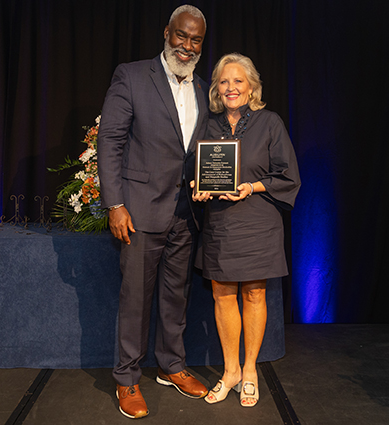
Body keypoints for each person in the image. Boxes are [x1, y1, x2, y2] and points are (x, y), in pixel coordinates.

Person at [97, 4, 211, 419]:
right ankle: (127, 379)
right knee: (135, 298)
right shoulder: (131, 75)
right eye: (182, 35)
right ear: (167, 32)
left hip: (186, 212)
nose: (187, 45)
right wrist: (116, 204)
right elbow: (109, 141)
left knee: (176, 296)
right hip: (140, 211)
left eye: (196, 39)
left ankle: (171, 366)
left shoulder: (202, 88)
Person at [190, 53, 300, 407]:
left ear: (251, 86)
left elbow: (287, 175)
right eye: (223, 81)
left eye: (238, 81)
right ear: (216, 89)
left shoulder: (270, 123)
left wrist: (251, 187)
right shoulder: (208, 125)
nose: (231, 88)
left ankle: (250, 370)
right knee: (223, 295)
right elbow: (193, 166)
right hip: (220, 223)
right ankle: (231, 371)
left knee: (254, 295)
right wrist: (198, 184)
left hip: (258, 223)